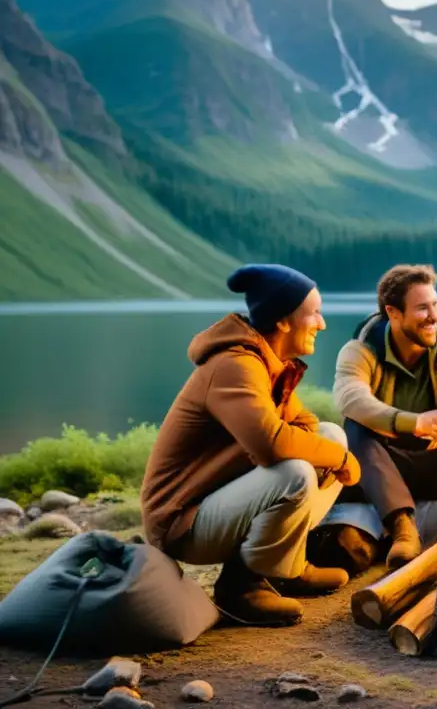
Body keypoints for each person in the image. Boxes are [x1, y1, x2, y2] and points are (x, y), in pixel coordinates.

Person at [140, 264, 361, 627]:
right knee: (295, 471)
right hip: (183, 520)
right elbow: (270, 444)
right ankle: (241, 587)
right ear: (284, 321)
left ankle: (285, 568)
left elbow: (301, 423)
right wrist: (341, 459)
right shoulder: (235, 366)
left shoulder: (269, 363)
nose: (321, 323)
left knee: (329, 435)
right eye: (314, 313)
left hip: (220, 502)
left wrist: (334, 450)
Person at [332, 264, 437, 570]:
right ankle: (401, 526)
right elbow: (351, 398)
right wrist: (415, 422)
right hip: (385, 466)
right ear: (393, 313)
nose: (434, 316)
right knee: (355, 425)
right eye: (422, 308)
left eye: (435, 305)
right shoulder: (360, 350)